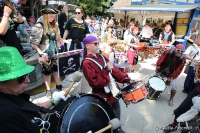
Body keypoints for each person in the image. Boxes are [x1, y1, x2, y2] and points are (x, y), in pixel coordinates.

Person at [0, 46, 68, 133]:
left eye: (26, 74)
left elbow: (30, 110)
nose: (28, 80)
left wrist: (53, 101)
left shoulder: (12, 95)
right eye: (21, 78)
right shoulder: (8, 118)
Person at [82, 35, 137, 133]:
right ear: (87, 46)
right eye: (95, 43)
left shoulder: (102, 57)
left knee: (116, 119)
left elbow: (116, 72)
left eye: (98, 43)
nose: (98, 45)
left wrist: (127, 79)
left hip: (113, 93)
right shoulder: (86, 63)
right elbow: (95, 82)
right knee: (102, 122)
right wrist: (106, 70)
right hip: (100, 97)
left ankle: (117, 129)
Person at [30, 6, 71, 98]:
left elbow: (58, 38)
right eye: (51, 16)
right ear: (46, 15)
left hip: (54, 51)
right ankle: (48, 90)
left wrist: (65, 41)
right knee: (46, 72)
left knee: (56, 70)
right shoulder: (39, 26)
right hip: (44, 53)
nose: (53, 18)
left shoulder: (54, 25)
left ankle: (58, 85)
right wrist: (41, 52)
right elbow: (33, 43)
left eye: (54, 16)